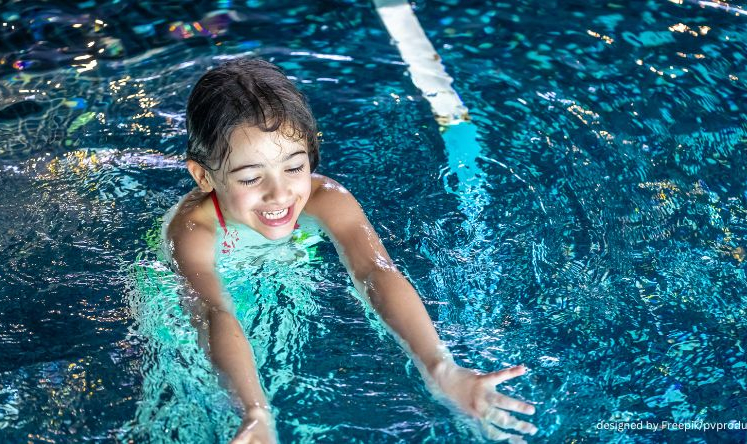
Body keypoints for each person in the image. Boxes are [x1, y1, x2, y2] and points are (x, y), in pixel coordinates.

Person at [164, 58, 537, 443]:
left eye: (295, 168)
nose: (280, 194)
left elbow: (376, 272)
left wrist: (440, 367)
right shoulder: (194, 230)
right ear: (204, 175)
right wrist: (255, 412)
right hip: (191, 305)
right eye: (251, 177)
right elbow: (212, 311)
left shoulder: (326, 199)